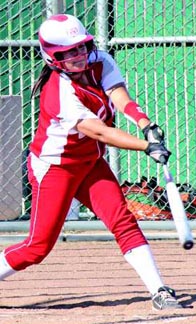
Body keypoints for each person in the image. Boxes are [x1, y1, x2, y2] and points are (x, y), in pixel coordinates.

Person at [0, 14, 182, 310]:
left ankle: (159, 290)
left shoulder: (101, 60)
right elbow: (99, 131)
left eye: (81, 47)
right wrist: (146, 146)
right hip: (55, 169)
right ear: (52, 58)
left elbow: (118, 94)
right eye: (68, 52)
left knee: (122, 221)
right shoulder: (57, 92)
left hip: (90, 163)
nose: (78, 56)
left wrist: (144, 123)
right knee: (38, 247)